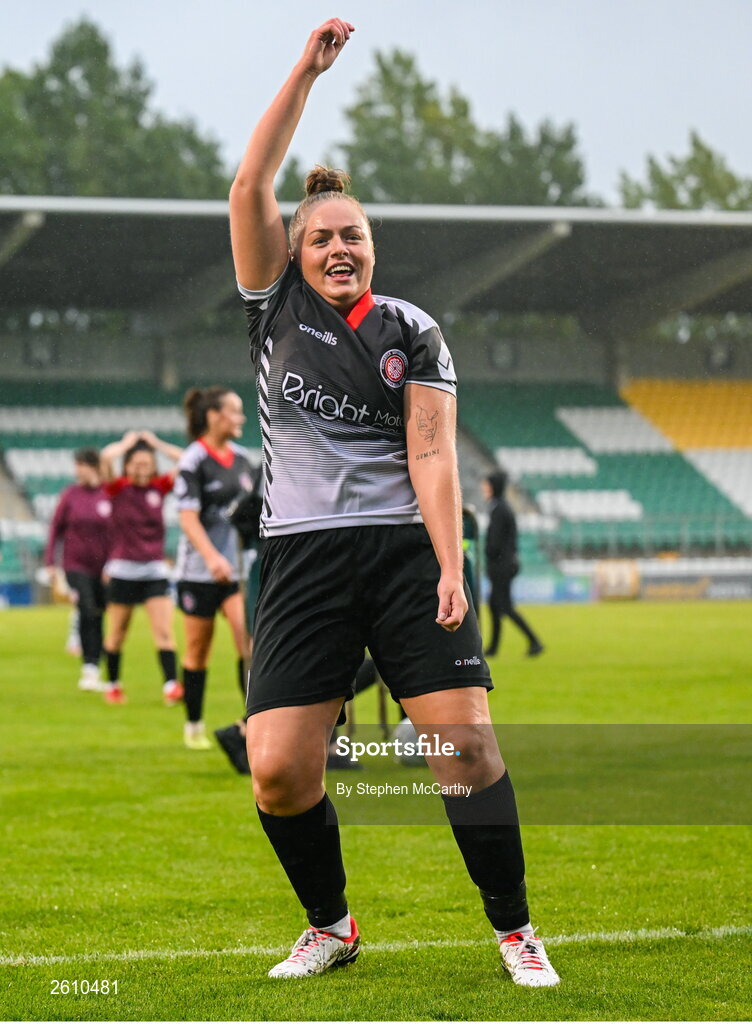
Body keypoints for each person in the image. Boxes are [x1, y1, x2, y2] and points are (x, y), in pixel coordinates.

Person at [228, 19, 559, 987]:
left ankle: (515, 929)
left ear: (374, 248)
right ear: (295, 252)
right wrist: (303, 73)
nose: (339, 247)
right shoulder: (272, 310)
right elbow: (252, 186)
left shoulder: (412, 331)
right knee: (280, 771)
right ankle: (329, 924)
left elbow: (429, 452)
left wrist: (450, 564)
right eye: (322, 236)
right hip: (299, 556)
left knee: (462, 748)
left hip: (404, 554)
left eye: (354, 236)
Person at [174, 387, 256, 751]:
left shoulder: (244, 461)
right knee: (197, 651)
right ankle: (193, 724)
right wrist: (211, 558)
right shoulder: (193, 460)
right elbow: (187, 518)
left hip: (237, 573)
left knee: (249, 645)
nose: (241, 419)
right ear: (213, 416)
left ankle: (252, 724)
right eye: (235, 412)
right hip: (198, 573)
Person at [99, 430, 183, 705]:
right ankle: (112, 683)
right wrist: (126, 443)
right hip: (123, 570)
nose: (142, 468)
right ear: (127, 466)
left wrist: (157, 442)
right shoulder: (117, 487)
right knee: (117, 634)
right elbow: (105, 458)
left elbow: (184, 460)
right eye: (136, 464)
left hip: (154, 570)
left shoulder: (159, 488)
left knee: (164, 632)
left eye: (147, 463)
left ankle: (171, 685)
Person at [44, 448, 111, 692]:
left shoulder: (108, 494)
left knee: (100, 614)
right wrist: (51, 561)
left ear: (92, 466)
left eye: (80, 465)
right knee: (87, 610)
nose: (77, 470)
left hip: (104, 568)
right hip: (76, 565)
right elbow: (55, 529)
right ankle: (89, 668)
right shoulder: (70, 495)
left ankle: (97, 667)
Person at [482, 471, 544, 658]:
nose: (483, 488)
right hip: (505, 565)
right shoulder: (501, 507)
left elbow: (494, 543)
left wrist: (490, 556)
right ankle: (493, 649)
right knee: (496, 605)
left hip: (502, 566)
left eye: (486, 485)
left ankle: (534, 642)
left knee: (504, 606)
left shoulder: (499, 509)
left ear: (494, 487)